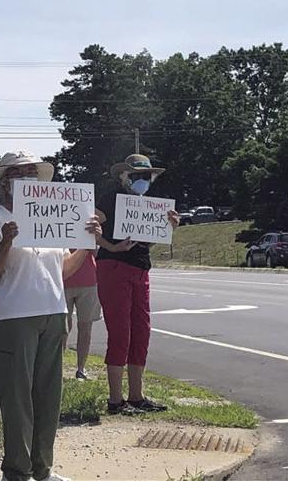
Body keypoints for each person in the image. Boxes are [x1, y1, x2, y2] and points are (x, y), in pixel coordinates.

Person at [0, 151, 102, 481]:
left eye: (32, 171)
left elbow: (62, 269)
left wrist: (87, 245)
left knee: (48, 398)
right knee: (17, 400)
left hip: (53, 313)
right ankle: (16, 472)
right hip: (13, 319)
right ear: (4, 181)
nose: (27, 176)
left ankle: (42, 469)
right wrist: (6, 241)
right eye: (19, 172)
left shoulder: (48, 217)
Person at [95, 154, 180, 415]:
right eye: (136, 175)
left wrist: (168, 228)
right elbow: (88, 227)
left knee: (141, 332)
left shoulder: (149, 206)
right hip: (113, 267)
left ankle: (136, 395)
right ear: (124, 176)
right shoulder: (110, 198)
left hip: (140, 268)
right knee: (120, 333)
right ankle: (115, 399)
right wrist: (112, 246)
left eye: (146, 176)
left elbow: (144, 242)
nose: (142, 180)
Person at [63, 249, 101, 380]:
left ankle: (81, 368)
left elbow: (99, 255)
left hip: (89, 281)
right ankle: (58, 367)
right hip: (63, 280)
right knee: (63, 328)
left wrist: (93, 244)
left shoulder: (90, 229)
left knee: (85, 328)